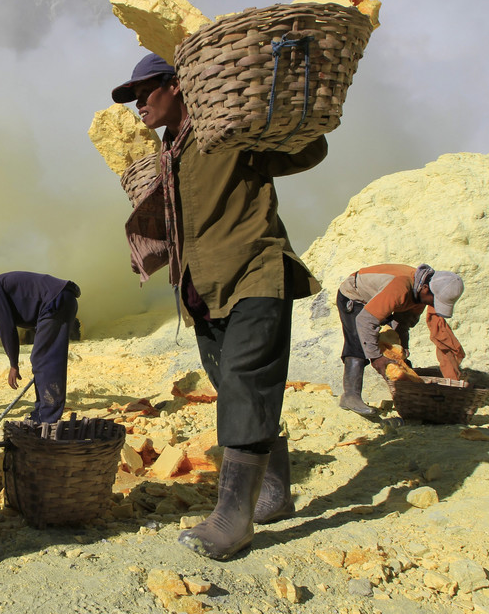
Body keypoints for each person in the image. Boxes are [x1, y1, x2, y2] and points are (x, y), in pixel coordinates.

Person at [111, 53, 328, 560]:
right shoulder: (170, 154)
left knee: (247, 381)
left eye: (146, 91)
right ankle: (273, 491)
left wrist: (289, 112)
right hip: (201, 290)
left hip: (254, 271)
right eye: (132, 97)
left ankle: (233, 519)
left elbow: (309, 150)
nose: (138, 103)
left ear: (179, 86)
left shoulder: (226, 131)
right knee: (232, 386)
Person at [0, 271, 80, 423]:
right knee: (41, 358)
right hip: (60, 299)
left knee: (44, 359)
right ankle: (42, 411)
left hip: (55, 301)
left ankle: (47, 417)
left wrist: (13, 364)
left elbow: (6, 328)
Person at [336, 263, 465, 418]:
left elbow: (401, 326)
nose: (432, 306)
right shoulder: (400, 287)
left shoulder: (419, 297)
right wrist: (376, 357)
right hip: (354, 296)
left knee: (385, 340)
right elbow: (365, 321)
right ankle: (350, 396)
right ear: (425, 288)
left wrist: (402, 357)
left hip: (379, 299)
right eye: (433, 301)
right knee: (358, 342)